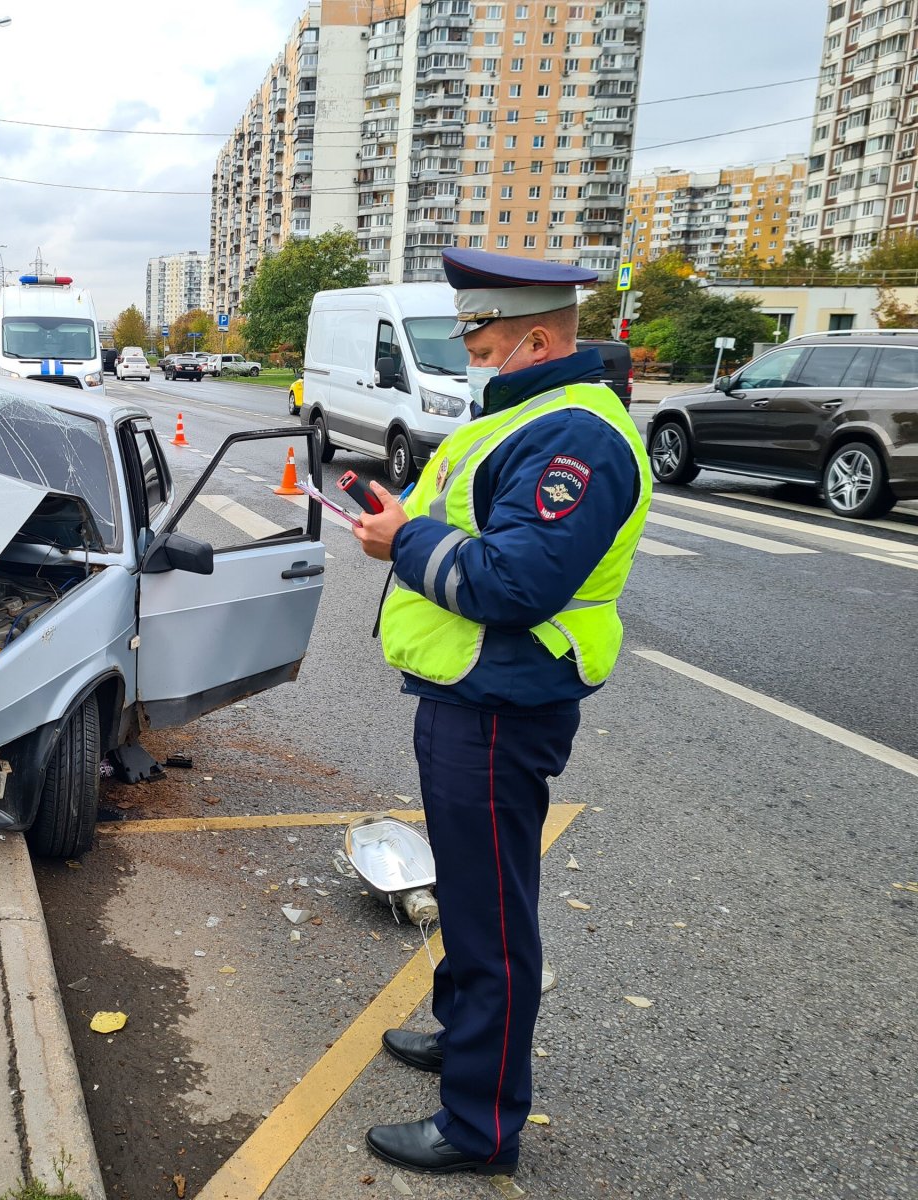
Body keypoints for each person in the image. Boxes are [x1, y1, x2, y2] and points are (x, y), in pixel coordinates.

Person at [353, 247, 653, 1177]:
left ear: (534, 335)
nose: (469, 353)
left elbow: (515, 582)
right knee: (475, 886)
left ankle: (478, 1125)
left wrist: (404, 541)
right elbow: (471, 524)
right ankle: (462, 1029)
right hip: (470, 690)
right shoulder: (521, 416)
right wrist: (404, 522)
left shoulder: (577, 437)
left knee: (491, 913)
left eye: (479, 337)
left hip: (501, 697)